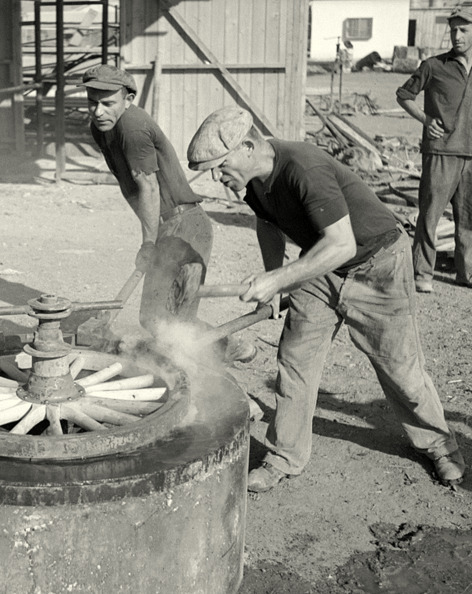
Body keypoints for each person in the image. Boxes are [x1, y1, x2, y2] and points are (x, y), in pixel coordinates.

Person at [187, 106, 465, 491]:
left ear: (248, 146)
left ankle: (439, 445)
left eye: (221, 166)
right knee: (295, 363)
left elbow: (342, 243)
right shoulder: (251, 182)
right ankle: (284, 455)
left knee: (400, 368)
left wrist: (279, 278)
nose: (218, 177)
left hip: (378, 262)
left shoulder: (303, 168)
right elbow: (267, 224)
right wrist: (276, 284)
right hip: (321, 268)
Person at [80, 64, 255, 363]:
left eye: (107, 103)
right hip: (168, 225)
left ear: (128, 99)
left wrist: (148, 243)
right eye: (92, 102)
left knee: (171, 321)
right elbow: (135, 189)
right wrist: (154, 235)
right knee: (155, 319)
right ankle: (226, 348)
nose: (98, 111)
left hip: (185, 226)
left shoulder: (132, 127)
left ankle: (213, 367)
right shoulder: (101, 128)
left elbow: (147, 186)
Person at [396, 5, 472, 293]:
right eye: (453, 29)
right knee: (430, 216)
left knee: (469, 219)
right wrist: (425, 119)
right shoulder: (434, 65)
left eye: (464, 30)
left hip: (471, 155)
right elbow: (404, 95)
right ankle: (422, 273)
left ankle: (467, 273)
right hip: (440, 152)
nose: (456, 35)